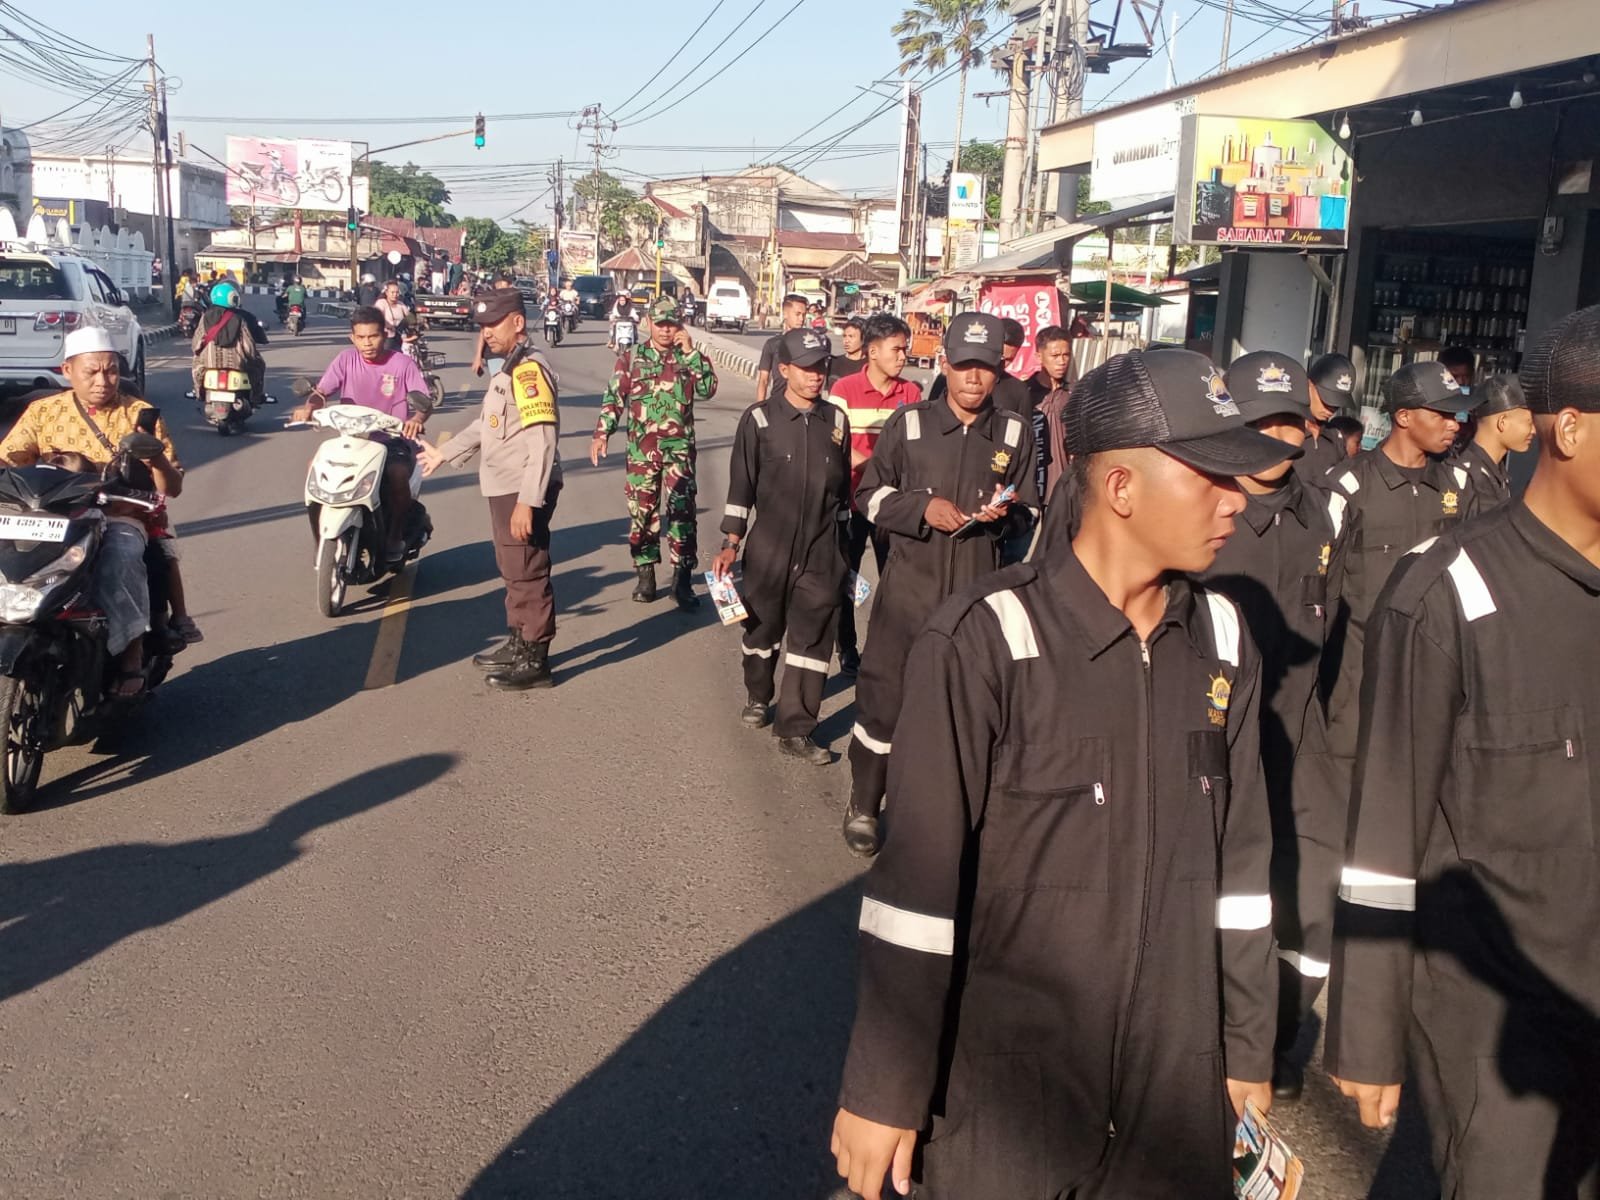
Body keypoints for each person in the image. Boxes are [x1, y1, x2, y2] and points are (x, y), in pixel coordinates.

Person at [831, 347, 1286, 1200]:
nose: (1237, 502)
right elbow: (917, 888)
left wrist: (1248, 1045)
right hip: (1011, 1098)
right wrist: (884, 1085)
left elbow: (1244, 867)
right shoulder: (987, 640)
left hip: (1172, 1093)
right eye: (1211, 478)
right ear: (1119, 488)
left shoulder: (1223, 640)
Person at [1325, 304, 1600, 1197]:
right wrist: (1365, 1029)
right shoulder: (1447, 587)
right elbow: (1386, 825)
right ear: (1566, 427)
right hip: (1495, 1010)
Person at [1201, 350, 1351, 1102]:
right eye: (1259, 421)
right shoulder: (1203, 506)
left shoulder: (1322, 513)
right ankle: (1210, 1033)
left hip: (1299, 739)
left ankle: (1280, 1035)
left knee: (1314, 891)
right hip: (1214, 740)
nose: (1276, 435)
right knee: (1217, 896)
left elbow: (1332, 623)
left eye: (1289, 418)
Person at [841, 313, 1038, 858]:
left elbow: (1032, 514)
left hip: (976, 600)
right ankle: (864, 803)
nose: (974, 379)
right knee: (885, 701)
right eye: (964, 366)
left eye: (986, 368)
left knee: (965, 712)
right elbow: (870, 497)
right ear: (945, 364)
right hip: (908, 592)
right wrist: (923, 507)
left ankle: (941, 815)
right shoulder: (908, 426)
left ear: (1001, 370)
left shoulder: (1016, 433)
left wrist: (1010, 514)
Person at [1319, 361, 1479, 833]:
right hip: (1354, 685)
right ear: (1405, 416)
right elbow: (1322, 596)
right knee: (1345, 815)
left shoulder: (1459, 487)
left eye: (1460, 415)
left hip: (1431, 685)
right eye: (1444, 413)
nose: (1456, 424)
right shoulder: (1348, 487)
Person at [0, 327, 185, 697]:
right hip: (51, 519)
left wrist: (156, 458)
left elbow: (172, 488)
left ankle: (131, 654)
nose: (103, 380)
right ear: (67, 370)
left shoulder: (140, 416)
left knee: (121, 557)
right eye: (92, 371)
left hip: (118, 515)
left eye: (112, 370)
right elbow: (10, 458)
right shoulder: (43, 412)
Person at [714, 329, 852, 764]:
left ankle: (797, 727)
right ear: (784, 369)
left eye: (822, 367)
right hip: (770, 548)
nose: (816, 376)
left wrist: (845, 554)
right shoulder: (759, 420)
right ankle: (759, 694)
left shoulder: (837, 421)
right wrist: (730, 542)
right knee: (761, 631)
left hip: (822, 549)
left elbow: (843, 490)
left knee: (814, 640)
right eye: (807, 368)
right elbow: (742, 484)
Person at [417, 289, 562, 691]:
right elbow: (487, 425)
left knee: (527, 570)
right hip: (503, 486)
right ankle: (518, 640)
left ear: (517, 323)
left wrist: (528, 502)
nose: (486, 333)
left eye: (493, 325)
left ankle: (535, 659)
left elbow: (543, 440)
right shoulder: (507, 369)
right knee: (512, 569)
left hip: (521, 487)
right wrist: (444, 454)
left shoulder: (529, 371)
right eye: (481, 326)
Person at [592, 296, 718, 609]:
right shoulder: (632, 357)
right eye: (660, 323)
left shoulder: (690, 359)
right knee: (642, 511)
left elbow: (708, 389)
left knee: (682, 513)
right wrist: (602, 433)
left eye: (671, 323)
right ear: (649, 323)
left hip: (679, 452)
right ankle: (645, 573)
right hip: (641, 451)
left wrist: (690, 353)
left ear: (680, 325)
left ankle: (682, 579)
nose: (665, 329)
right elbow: (614, 398)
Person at [292, 306, 430, 563]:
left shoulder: (402, 363)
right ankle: (320, 541)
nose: (367, 343)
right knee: (314, 468)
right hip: (351, 440)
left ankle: (394, 535)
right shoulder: (345, 360)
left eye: (374, 336)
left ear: (385, 334)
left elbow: (424, 401)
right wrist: (309, 407)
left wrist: (416, 419)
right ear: (352, 338)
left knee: (397, 475)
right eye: (362, 337)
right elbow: (321, 392)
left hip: (392, 441)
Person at [826, 314, 920, 675]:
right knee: (846, 577)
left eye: (904, 349)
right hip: (851, 502)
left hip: (893, 506)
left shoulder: (911, 393)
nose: (903, 356)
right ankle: (846, 646)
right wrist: (874, 470)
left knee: (896, 580)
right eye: (896, 349)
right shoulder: (844, 390)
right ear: (873, 351)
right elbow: (838, 445)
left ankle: (889, 646)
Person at [1450, 373, 1534, 509]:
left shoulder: (1498, 474)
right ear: (1503, 422)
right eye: (1529, 422)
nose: (1534, 430)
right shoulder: (1461, 477)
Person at [191, 281, 270, 408]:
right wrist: (253, 357)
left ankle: (198, 393)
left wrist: (199, 353)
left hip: (209, 364)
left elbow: (196, 342)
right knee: (259, 366)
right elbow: (248, 346)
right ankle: (256, 396)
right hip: (237, 364)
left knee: (196, 365)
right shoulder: (240, 318)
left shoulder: (205, 317)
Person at [1301, 353, 1362, 480]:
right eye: (1327, 400)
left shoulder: (1336, 438)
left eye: (1337, 404)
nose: (1331, 410)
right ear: (1309, 385)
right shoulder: (1284, 429)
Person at [755, 294, 811, 402]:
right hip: (778, 402)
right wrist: (759, 408)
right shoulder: (772, 344)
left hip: (803, 403)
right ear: (785, 314)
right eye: (797, 314)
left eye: (804, 315)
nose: (801, 319)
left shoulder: (810, 344)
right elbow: (763, 380)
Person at [471, 275, 519, 378]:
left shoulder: (515, 302)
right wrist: (478, 357)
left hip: (514, 352)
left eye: (509, 283)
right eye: (505, 284)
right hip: (495, 354)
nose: (509, 286)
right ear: (497, 285)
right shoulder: (491, 305)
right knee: (501, 381)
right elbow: (483, 332)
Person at [827, 316, 868, 388]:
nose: (846, 341)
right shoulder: (834, 361)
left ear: (863, 338)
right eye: (844, 336)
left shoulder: (871, 364)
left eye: (851, 336)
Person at [375, 280, 410, 351]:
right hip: (387, 336)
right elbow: (378, 317)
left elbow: (409, 316)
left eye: (397, 292)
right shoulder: (381, 303)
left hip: (400, 335)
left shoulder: (400, 304)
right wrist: (388, 325)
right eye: (392, 292)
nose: (395, 294)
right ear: (386, 293)